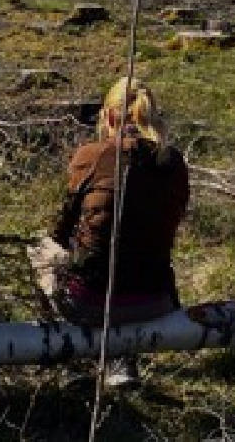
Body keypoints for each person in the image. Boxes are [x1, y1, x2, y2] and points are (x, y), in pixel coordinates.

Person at [29, 78, 189, 388]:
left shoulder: (93, 155)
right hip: (156, 300)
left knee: (40, 250)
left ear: (111, 116)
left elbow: (60, 228)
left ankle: (69, 361)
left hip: (89, 302)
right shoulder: (173, 162)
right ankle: (122, 361)